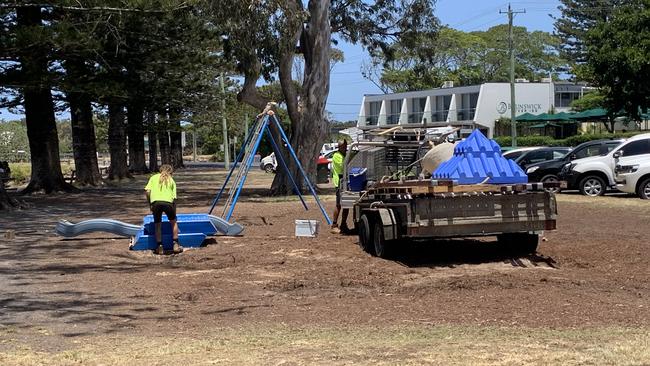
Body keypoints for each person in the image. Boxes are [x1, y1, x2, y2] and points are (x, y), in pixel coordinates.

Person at [145, 164, 182, 254]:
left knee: (158, 224)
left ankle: (159, 246)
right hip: (168, 203)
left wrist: (150, 203)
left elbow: (147, 191)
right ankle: (176, 244)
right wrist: (174, 214)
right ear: (171, 172)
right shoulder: (171, 180)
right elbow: (174, 199)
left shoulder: (153, 177)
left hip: (156, 203)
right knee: (173, 223)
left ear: (160, 170)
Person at [330, 139, 350, 234]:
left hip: (346, 182)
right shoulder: (337, 156)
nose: (346, 148)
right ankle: (334, 225)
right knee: (339, 205)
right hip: (339, 183)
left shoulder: (344, 155)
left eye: (346, 146)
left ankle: (343, 224)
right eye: (344, 147)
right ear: (340, 147)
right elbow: (343, 166)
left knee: (347, 204)